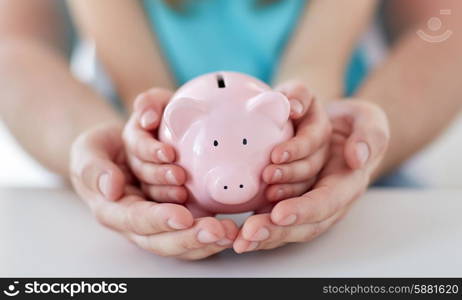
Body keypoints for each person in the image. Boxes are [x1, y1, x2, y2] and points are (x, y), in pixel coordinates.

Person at [0, 0, 461, 260]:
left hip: (353, 179)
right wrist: (104, 145)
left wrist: (361, 134)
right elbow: (14, 44)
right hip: (132, 187)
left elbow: (446, 25)